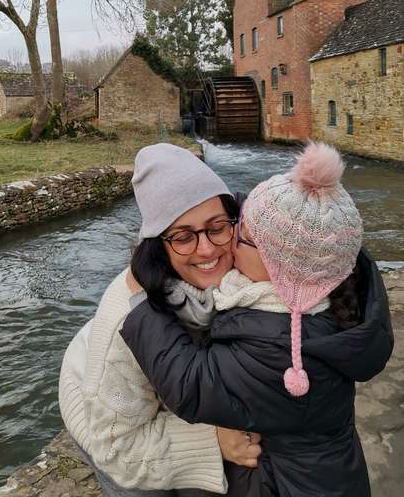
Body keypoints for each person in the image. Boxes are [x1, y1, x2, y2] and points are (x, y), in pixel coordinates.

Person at [121, 141, 394, 497]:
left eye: (244, 235)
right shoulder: (330, 285)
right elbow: (296, 234)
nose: (230, 239)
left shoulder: (284, 352)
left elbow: (189, 384)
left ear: (279, 269)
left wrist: (141, 304)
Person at [58, 143, 262, 496]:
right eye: (183, 237)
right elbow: (118, 450)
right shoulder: (125, 319)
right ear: (159, 246)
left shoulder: (246, 263)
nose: (207, 249)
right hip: (108, 424)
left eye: (217, 227)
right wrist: (214, 440)